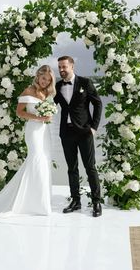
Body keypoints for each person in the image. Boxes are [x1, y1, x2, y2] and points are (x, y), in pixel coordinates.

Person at [0, 65, 56, 219]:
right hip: (34, 130)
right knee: (35, 159)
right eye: (44, 78)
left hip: (45, 131)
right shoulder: (28, 91)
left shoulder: (47, 92)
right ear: (38, 76)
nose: (45, 82)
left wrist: (48, 117)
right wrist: (39, 117)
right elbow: (19, 112)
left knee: (44, 160)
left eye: (48, 80)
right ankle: (28, 203)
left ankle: (41, 201)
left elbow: (49, 110)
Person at [54, 56, 102, 217]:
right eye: (59, 67)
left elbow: (98, 103)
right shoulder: (58, 86)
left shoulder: (85, 82)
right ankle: (76, 201)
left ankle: (96, 202)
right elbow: (48, 104)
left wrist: (94, 127)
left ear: (72, 66)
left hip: (84, 132)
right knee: (72, 168)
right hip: (66, 133)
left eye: (64, 67)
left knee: (90, 167)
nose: (61, 69)